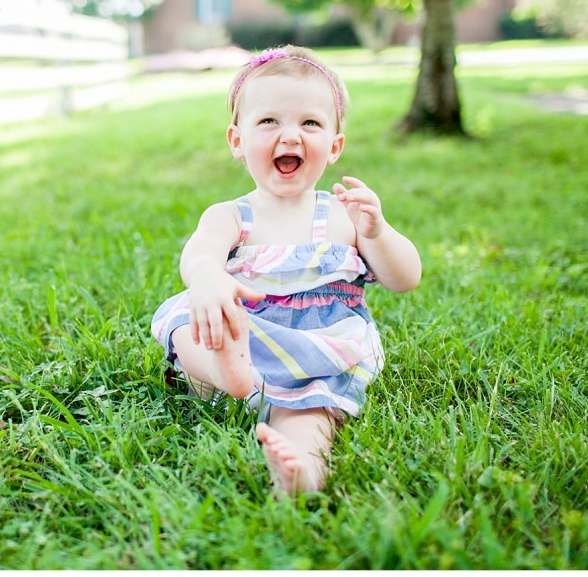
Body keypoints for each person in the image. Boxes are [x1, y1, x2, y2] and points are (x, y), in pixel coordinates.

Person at [151, 45, 422, 496]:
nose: (290, 136)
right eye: (269, 121)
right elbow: (198, 253)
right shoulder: (231, 215)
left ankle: (300, 473)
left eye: (310, 123)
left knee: (311, 413)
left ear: (334, 146)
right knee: (185, 319)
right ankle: (227, 376)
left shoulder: (343, 216)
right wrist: (208, 278)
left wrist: (377, 232)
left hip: (313, 351)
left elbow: (405, 278)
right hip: (240, 335)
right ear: (237, 140)